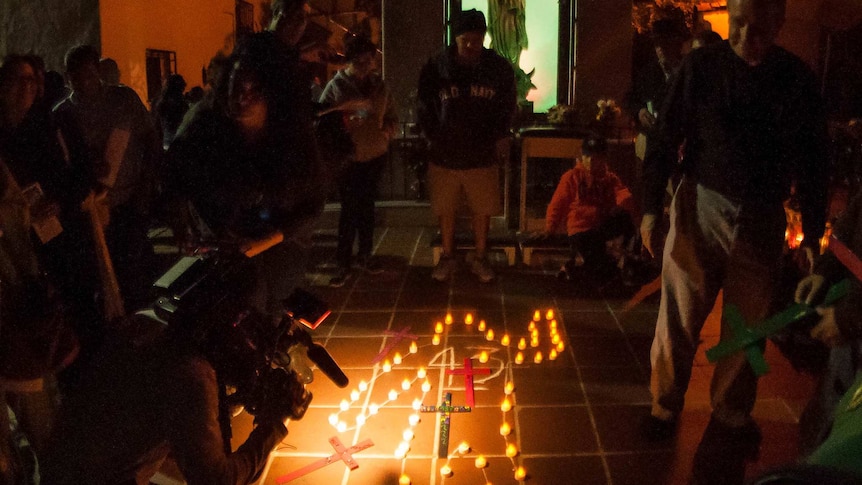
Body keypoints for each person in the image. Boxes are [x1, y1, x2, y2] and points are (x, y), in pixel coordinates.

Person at [638, 0, 830, 483]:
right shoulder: (701, 66)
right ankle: (663, 405)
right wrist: (648, 208)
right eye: (739, 26)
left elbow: (813, 158)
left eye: (760, 30)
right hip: (700, 203)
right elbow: (665, 136)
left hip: (763, 214)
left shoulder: (797, 79)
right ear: (730, 21)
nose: (748, 38)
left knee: (749, 326)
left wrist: (811, 224)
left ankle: (730, 415)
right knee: (680, 310)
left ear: (779, 23)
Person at [40, 254, 311, 485]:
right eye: (243, 323)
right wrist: (274, 423)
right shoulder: (189, 373)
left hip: (64, 466)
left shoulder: (146, 328)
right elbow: (216, 479)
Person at [168, 31, 326, 322]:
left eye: (253, 91)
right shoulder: (205, 127)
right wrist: (183, 220)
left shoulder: (292, 137)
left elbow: (312, 208)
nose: (243, 98)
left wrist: (262, 242)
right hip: (227, 245)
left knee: (263, 310)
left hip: (279, 246)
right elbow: (177, 172)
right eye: (236, 88)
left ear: (271, 94)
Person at [54, 45, 161, 312]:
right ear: (69, 77)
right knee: (102, 279)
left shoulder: (123, 100)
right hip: (90, 212)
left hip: (129, 200)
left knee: (133, 273)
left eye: (90, 73)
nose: (85, 81)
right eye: (78, 75)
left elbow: (150, 141)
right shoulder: (62, 114)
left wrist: (145, 191)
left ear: (98, 71)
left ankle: (139, 329)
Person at [417, 9, 516, 283]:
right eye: (466, 41)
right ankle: (448, 257)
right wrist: (431, 136)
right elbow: (424, 105)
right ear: (456, 38)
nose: (472, 46)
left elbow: (507, 105)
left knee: (481, 208)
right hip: (444, 152)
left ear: (484, 37)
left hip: (482, 153)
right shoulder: (437, 65)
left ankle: (480, 257)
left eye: (477, 40)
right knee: (445, 208)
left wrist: (501, 135)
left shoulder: (497, 68)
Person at [319, 34, 397, 287]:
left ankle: (365, 255)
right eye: (359, 60)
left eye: (369, 60)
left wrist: (388, 129)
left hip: (375, 154)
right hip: (349, 157)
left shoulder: (380, 86)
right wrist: (345, 118)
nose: (365, 64)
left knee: (367, 208)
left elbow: (392, 115)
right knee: (349, 210)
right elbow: (321, 118)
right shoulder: (337, 87)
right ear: (349, 61)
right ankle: (343, 262)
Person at [542, 135, 636, 283]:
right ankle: (572, 267)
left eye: (596, 156)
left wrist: (621, 205)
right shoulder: (572, 177)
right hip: (581, 230)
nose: (591, 160)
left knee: (625, 219)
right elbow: (558, 203)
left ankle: (624, 258)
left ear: (603, 158)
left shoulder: (609, 179)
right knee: (598, 270)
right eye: (587, 156)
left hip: (600, 226)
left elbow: (623, 195)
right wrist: (550, 228)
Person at [624, 18, 688, 161]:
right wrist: (640, 111)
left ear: (676, 44)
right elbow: (629, 99)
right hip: (654, 144)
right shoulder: (649, 73)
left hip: (680, 144)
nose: (660, 49)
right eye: (657, 44)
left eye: (665, 43)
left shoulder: (687, 72)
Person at [152, 74, 188, 150]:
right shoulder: (180, 102)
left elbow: (157, 122)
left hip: (166, 139)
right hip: (179, 138)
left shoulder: (161, 101)